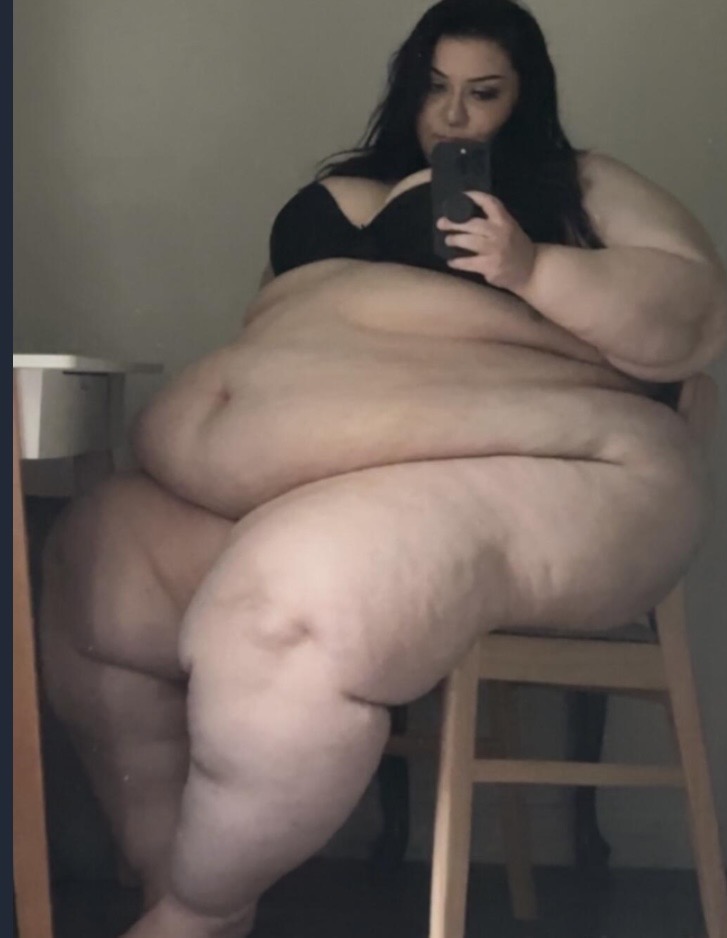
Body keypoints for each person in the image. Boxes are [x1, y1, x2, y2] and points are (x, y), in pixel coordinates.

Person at [39, 1, 726, 936]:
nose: (454, 113)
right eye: (434, 88)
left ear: (525, 98)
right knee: (97, 559)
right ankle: (176, 887)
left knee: (297, 594)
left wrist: (531, 267)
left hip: (535, 459)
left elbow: (691, 310)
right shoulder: (355, 182)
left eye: (483, 92)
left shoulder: (577, 181)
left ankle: (196, 911)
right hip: (286, 482)